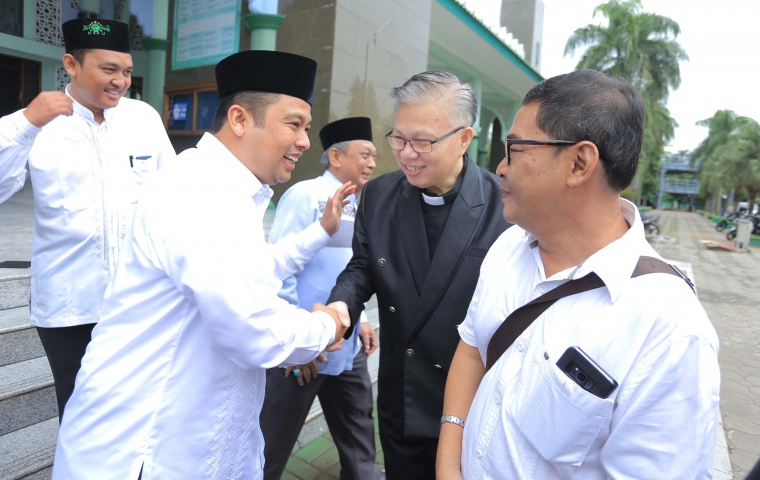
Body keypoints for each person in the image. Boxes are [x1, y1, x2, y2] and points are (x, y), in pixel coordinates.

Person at [52, 50, 353, 479]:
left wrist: (320, 232)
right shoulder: (200, 190)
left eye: (305, 127)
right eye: (294, 124)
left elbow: (249, 272)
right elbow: (252, 328)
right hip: (143, 451)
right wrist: (327, 324)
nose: (305, 141)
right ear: (240, 119)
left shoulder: (223, 189)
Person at [437, 69, 721, 479]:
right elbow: (471, 349)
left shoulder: (668, 329)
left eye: (515, 149)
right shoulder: (509, 247)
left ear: (579, 163)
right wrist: (448, 466)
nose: (500, 167)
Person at [327, 71, 510, 478]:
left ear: (464, 138)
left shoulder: (503, 205)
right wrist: (340, 306)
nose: (407, 154)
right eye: (398, 139)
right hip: (403, 394)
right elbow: (362, 267)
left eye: (423, 142)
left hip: (471, 401)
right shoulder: (378, 196)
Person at [0, 18, 175, 420]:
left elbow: (171, 194)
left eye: (127, 71)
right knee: (79, 411)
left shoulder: (142, 118)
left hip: (136, 299)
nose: (121, 81)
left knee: (137, 410)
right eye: (109, 69)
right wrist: (26, 124)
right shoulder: (38, 123)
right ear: (71, 64)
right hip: (69, 304)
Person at [260, 116, 382, 480]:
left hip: (346, 344)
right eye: (365, 154)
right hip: (304, 351)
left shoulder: (361, 204)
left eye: (375, 156)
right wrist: (297, 340)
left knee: (359, 435)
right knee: (272, 442)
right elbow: (279, 270)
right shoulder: (305, 195)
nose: (372, 163)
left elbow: (352, 268)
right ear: (336, 156)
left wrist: (361, 319)